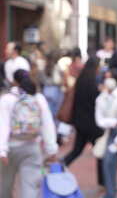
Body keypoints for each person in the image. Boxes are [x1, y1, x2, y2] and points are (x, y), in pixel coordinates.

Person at [0, 69, 59, 197]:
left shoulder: (6, 99)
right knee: (30, 187)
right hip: (32, 147)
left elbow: (2, 125)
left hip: (11, 149)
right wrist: (51, 149)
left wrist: (2, 150)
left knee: (6, 185)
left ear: (14, 82)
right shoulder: (38, 98)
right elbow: (47, 124)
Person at [62, 57, 105, 188]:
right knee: (100, 151)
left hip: (80, 121)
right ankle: (103, 181)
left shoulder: (81, 79)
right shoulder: (92, 82)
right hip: (91, 124)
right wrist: (101, 91)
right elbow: (95, 100)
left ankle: (60, 166)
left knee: (77, 150)